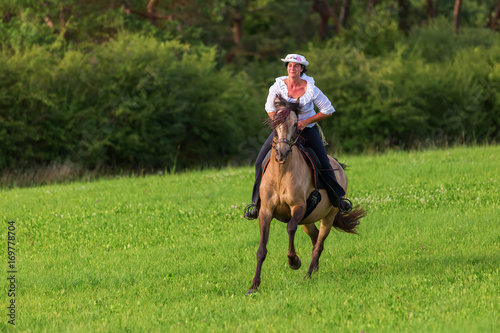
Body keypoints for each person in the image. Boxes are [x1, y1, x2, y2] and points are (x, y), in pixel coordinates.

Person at [244, 53, 352, 220]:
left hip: (305, 130)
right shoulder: (277, 86)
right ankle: (256, 205)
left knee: (323, 161)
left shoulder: (311, 89)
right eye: (289, 65)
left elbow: (328, 109)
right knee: (260, 162)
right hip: (282, 132)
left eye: (295, 66)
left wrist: (306, 121)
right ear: (286, 68)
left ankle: (338, 199)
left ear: (301, 69)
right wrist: (280, 123)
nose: (292, 68)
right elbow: (268, 107)